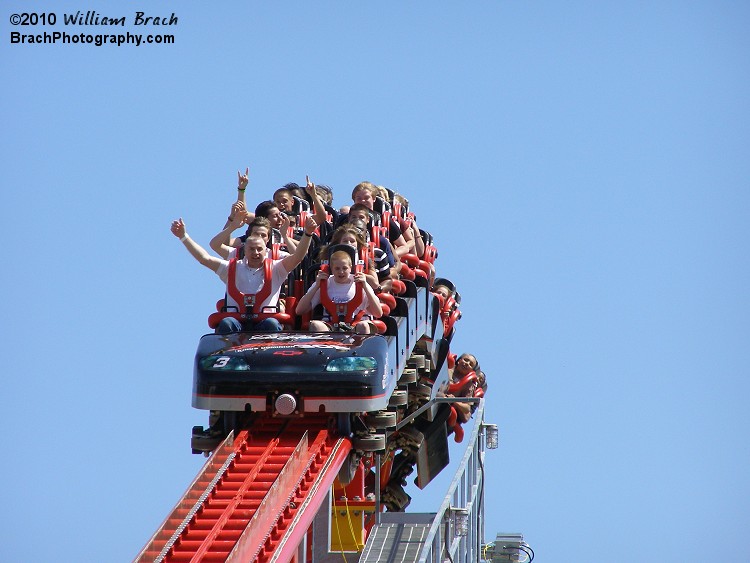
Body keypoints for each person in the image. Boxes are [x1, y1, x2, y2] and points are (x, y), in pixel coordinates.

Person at [170, 215, 319, 333]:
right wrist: (184, 237)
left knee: (271, 324)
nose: (255, 253)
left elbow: (298, 256)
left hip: (265, 321)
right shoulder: (232, 268)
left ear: (265, 250)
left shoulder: (276, 268)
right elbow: (204, 258)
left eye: (259, 249)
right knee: (227, 323)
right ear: (244, 251)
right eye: (251, 249)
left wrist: (307, 233)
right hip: (236, 322)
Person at [296, 249, 383, 334]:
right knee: (316, 325)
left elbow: (378, 313)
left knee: (363, 326)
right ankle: (324, 348)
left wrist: (365, 287)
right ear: (331, 269)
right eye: (337, 268)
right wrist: (317, 286)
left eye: (344, 268)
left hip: (355, 325)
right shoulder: (325, 282)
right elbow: (300, 310)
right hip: (331, 326)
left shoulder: (359, 282)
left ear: (350, 268)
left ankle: (360, 347)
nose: (341, 272)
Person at [447, 353, 486, 423]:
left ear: (471, 371)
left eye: (471, 364)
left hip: (446, 406)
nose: (467, 364)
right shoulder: (448, 366)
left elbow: (467, 409)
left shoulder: (469, 385)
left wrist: (454, 400)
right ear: (459, 361)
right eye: (465, 360)